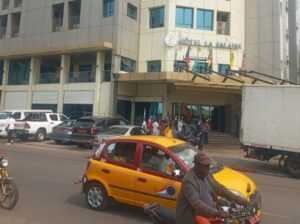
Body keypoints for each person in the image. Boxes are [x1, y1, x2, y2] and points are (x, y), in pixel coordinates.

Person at [176, 152, 248, 224]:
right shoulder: (189, 181)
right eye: (205, 166)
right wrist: (216, 213)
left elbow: (220, 189)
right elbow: (197, 204)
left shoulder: (206, 175)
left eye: (208, 165)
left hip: (209, 215)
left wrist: (237, 199)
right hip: (193, 218)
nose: (208, 168)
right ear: (197, 165)